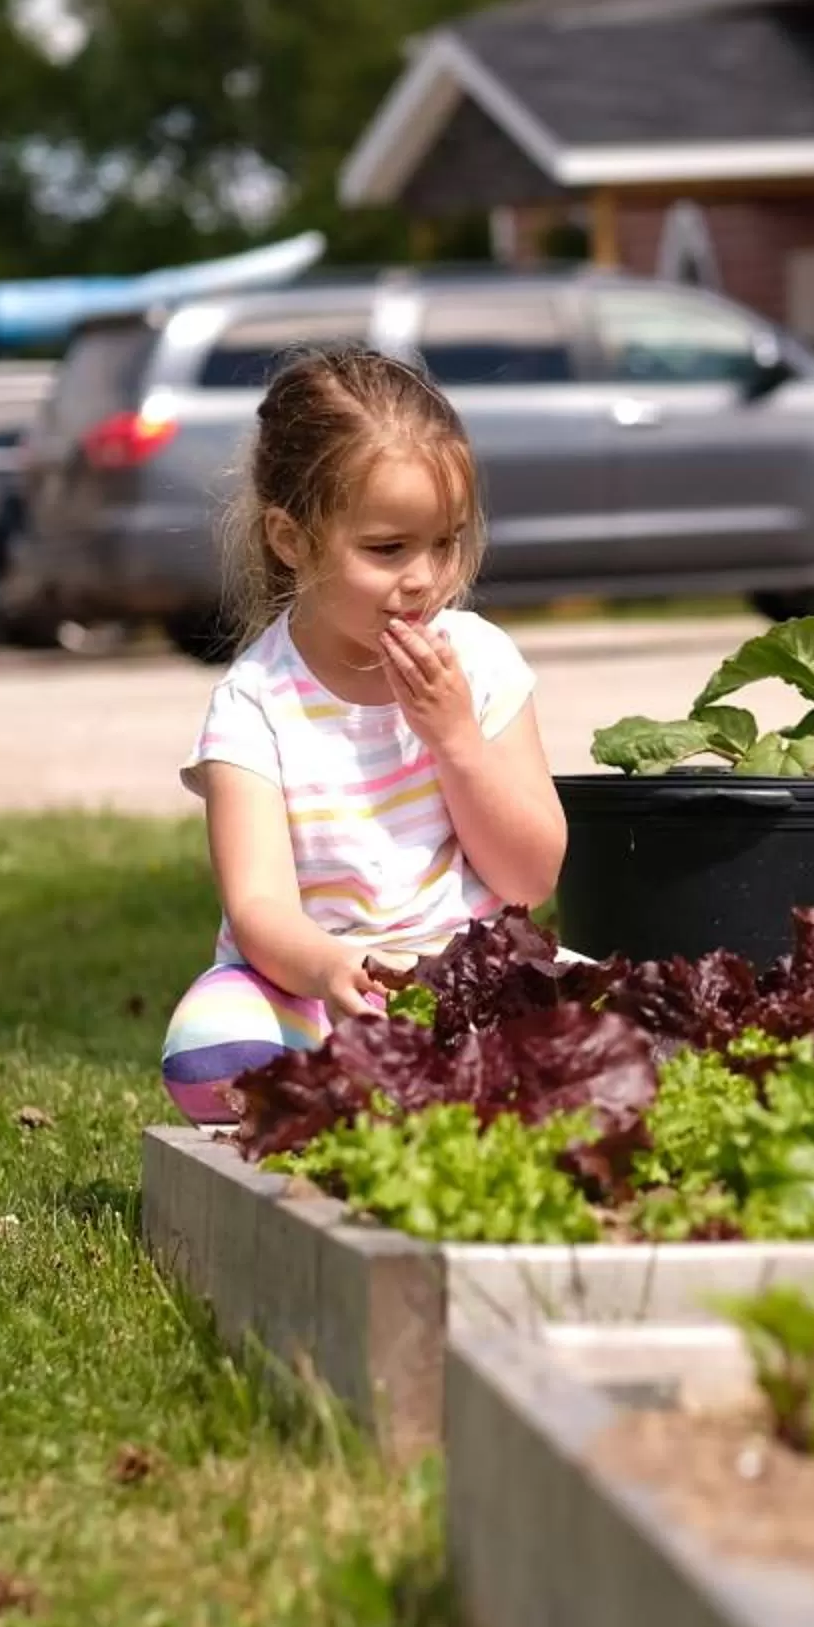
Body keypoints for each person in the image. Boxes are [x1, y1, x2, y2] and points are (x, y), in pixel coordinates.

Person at [161, 345, 566, 1124]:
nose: (423, 577)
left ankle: (405, 1087)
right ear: (292, 540)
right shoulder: (255, 703)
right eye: (387, 549)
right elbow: (259, 906)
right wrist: (331, 969)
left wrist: (455, 744)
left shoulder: (479, 663)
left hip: (467, 968)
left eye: (444, 542)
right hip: (312, 986)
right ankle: (400, 1084)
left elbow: (530, 877)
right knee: (211, 1051)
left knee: (623, 1023)